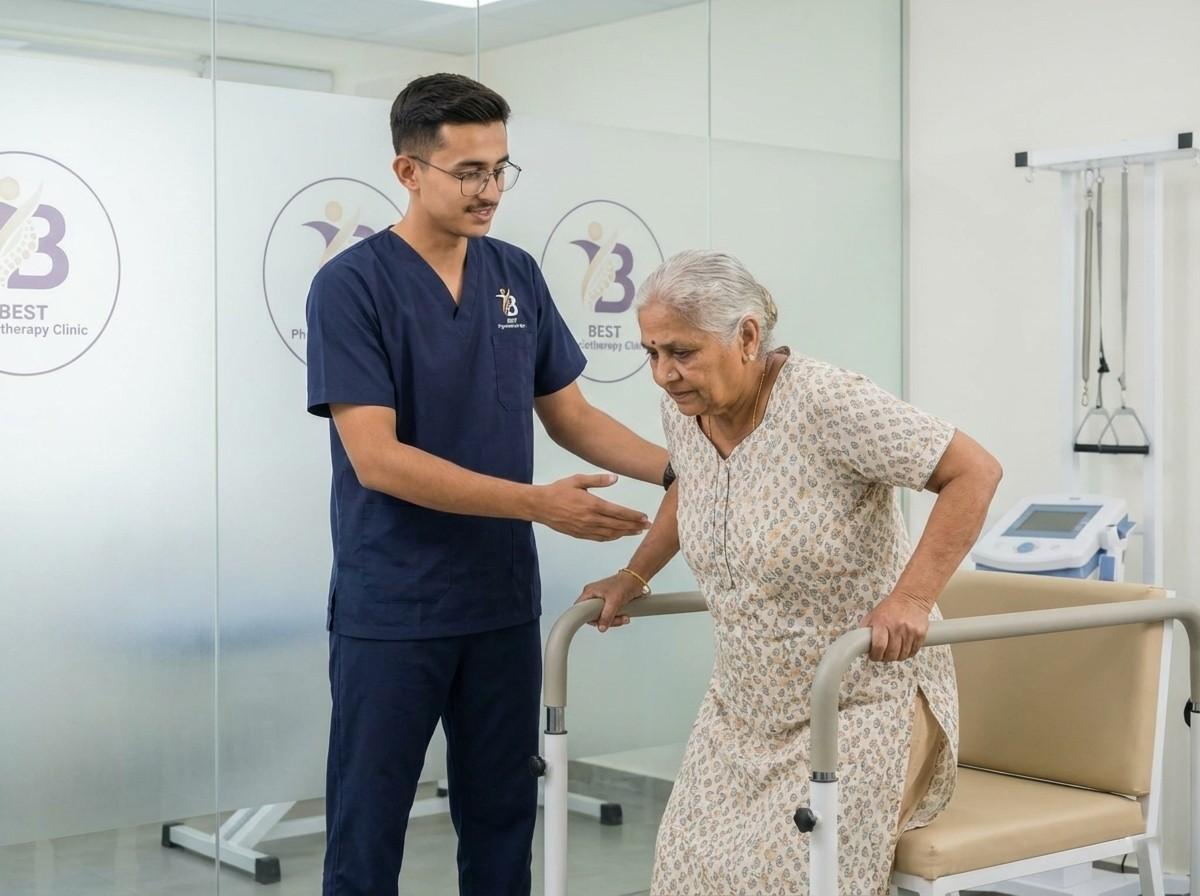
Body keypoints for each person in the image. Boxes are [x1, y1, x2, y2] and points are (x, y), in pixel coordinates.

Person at [306, 73, 669, 896]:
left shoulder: (516, 275)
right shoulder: (350, 287)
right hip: (393, 607)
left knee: (504, 820)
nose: (490, 189)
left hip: (500, 605)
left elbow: (570, 415)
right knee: (368, 833)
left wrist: (680, 466)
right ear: (408, 171)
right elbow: (379, 460)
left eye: (502, 167)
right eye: (469, 170)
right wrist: (538, 505)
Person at [577, 250, 1003, 896]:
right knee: (683, 869)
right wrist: (633, 576)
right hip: (743, 706)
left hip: (860, 700)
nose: (664, 374)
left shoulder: (828, 401)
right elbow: (692, 486)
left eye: (682, 352)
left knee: (788, 877)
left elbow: (974, 471)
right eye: (652, 353)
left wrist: (912, 599)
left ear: (747, 337)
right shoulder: (687, 411)